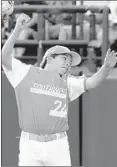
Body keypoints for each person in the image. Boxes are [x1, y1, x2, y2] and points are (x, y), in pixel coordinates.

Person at [2, 13, 117, 166]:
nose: (68, 64)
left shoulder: (67, 82)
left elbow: (91, 83)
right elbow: (4, 57)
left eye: (70, 62)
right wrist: (17, 29)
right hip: (29, 144)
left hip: (57, 144)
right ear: (49, 58)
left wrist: (105, 68)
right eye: (64, 59)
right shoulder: (26, 73)